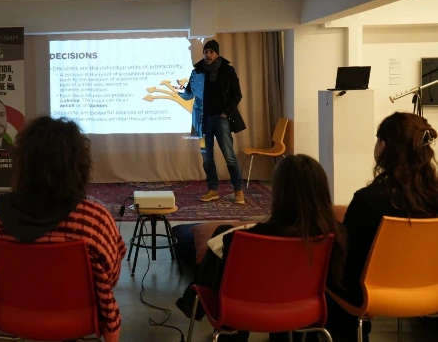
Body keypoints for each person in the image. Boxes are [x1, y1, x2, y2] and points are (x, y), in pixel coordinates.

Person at [0, 116, 126, 342]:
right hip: (80, 320)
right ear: (79, 166)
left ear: (21, 164)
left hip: (13, 319)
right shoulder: (95, 220)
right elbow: (110, 278)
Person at [176, 154, 346, 342]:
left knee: (220, 244)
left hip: (243, 312)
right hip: (306, 311)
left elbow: (226, 279)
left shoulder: (247, 238)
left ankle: (193, 300)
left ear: (279, 192)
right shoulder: (335, 235)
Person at [326, 112, 438, 341]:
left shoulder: (368, 200)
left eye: (378, 139)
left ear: (384, 147)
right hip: (430, 290)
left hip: (371, 294)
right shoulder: (434, 198)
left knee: (325, 274)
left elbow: (349, 259)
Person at [177, 39, 246, 203]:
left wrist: (226, 113)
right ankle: (213, 190)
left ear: (217, 54)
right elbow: (189, 94)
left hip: (221, 120)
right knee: (207, 158)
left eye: (211, 52)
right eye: (205, 52)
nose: (208, 55)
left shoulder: (227, 70)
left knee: (229, 156)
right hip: (202, 121)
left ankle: (238, 190)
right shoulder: (197, 72)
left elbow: (237, 95)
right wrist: (179, 90)